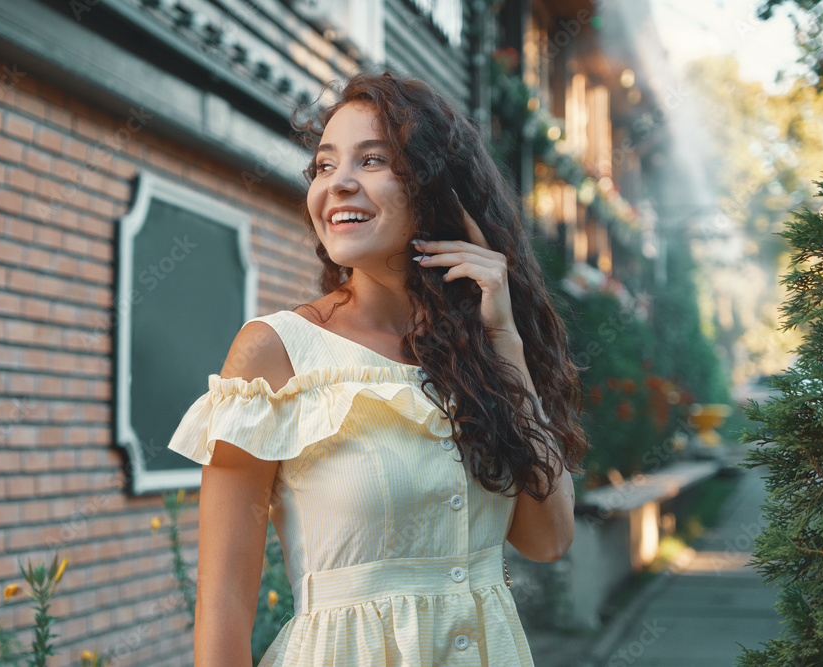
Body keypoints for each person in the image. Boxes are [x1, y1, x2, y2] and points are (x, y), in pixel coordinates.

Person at [167, 70, 588, 666]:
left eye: (371, 161)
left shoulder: (481, 355)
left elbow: (548, 539)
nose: (337, 184)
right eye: (324, 165)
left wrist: (504, 340)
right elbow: (224, 603)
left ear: (438, 188)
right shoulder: (276, 353)